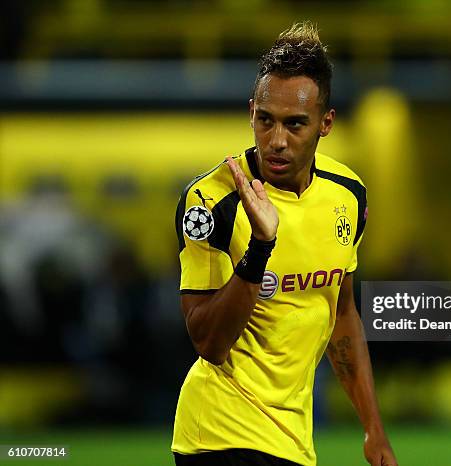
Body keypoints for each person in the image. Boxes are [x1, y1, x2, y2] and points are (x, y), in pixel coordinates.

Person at [172, 22, 398, 466]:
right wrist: (260, 246)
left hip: (291, 441)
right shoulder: (213, 202)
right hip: (219, 435)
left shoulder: (347, 195)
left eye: (295, 124)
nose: (277, 140)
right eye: (265, 120)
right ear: (251, 111)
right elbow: (208, 342)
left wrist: (374, 431)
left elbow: (342, 312)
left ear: (325, 123)